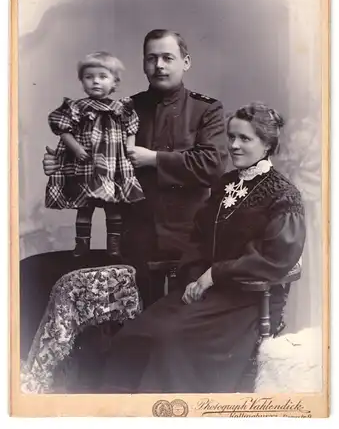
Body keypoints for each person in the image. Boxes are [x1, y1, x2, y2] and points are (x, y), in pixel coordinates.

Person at [95, 102, 306, 394]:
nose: (233, 145)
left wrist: (214, 275)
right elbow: (198, 238)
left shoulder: (283, 195)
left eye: (245, 139)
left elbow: (275, 258)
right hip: (203, 290)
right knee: (136, 333)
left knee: (171, 340)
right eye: (231, 137)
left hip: (246, 300)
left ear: (268, 144)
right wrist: (195, 277)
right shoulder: (225, 183)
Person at [43, 30, 228, 305]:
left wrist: (154, 158)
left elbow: (212, 166)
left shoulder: (207, 109)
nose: (159, 66)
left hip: (189, 239)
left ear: (185, 62)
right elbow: (96, 159)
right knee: (131, 320)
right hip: (136, 236)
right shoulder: (122, 109)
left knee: (179, 323)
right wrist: (61, 163)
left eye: (168, 57)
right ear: (144, 64)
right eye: (152, 58)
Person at [45, 51, 144, 259]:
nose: (95, 82)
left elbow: (131, 131)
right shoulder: (77, 107)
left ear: (114, 82)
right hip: (86, 164)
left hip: (111, 163)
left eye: (102, 77)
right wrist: (77, 149)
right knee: (84, 206)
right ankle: (82, 245)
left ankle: (113, 246)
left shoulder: (121, 108)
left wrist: (129, 152)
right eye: (89, 77)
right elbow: (63, 130)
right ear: (82, 81)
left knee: (113, 206)